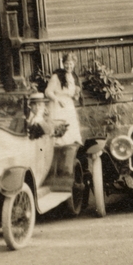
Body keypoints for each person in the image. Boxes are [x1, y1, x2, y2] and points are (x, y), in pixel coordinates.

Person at [45, 53, 83, 191]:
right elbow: (48, 92)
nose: (68, 66)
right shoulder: (56, 76)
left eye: (71, 64)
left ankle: (68, 162)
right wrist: (57, 99)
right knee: (59, 135)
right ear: (63, 63)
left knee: (70, 136)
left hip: (68, 107)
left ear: (74, 65)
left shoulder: (73, 77)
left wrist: (77, 94)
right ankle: (56, 164)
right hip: (57, 106)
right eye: (66, 63)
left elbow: (73, 93)